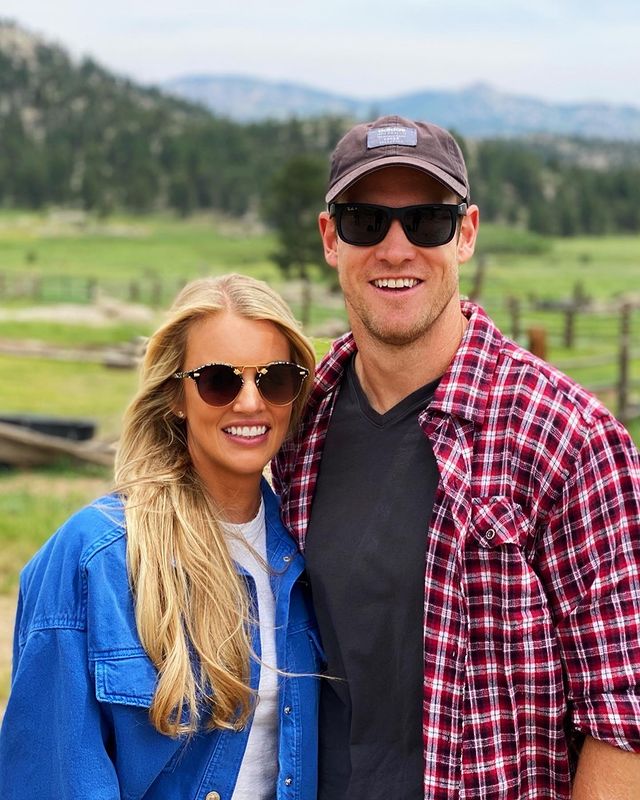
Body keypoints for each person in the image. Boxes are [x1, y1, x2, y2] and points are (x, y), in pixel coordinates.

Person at [273, 115, 640, 799]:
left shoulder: (567, 439)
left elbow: (623, 716)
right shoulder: (298, 427)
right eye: (364, 221)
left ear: (466, 234)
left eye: (426, 222)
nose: (395, 247)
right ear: (331, 239)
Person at [0, 273, 322, 799]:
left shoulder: (311, 551)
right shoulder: (95, 559)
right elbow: (50, 779)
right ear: (176, 395)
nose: (249, 403)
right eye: (219, 380)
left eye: (274, 380)